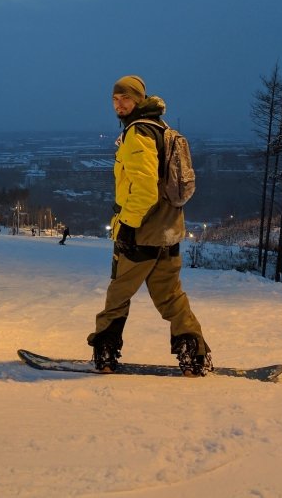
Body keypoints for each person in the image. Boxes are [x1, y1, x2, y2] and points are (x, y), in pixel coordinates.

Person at [87, 75, 213, 376]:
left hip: (142, 230)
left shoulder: (138, 133)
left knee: (118, 295)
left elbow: (144, 188)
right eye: (115, 99)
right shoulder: (162, 129)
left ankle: (105, 352)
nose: (119, 104)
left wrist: (128, 225)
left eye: (126, 99)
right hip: (169, 230)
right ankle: (193, 355)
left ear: (139, 100)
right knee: (170, 296)